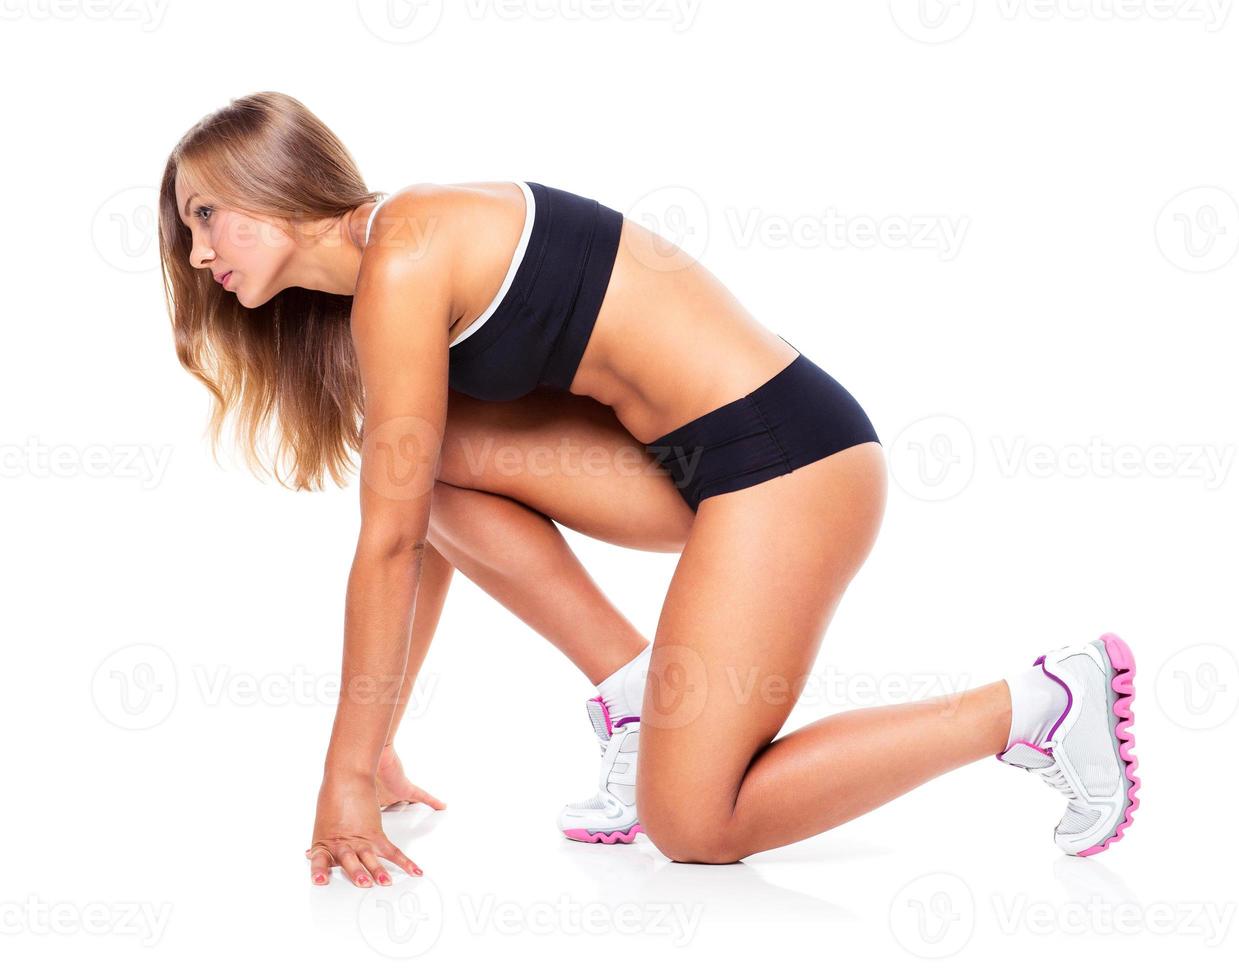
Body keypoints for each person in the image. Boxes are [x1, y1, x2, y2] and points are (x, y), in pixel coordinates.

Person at [160, 92, 1139, 888]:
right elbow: (416, 536)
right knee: (421, 466)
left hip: (790, 459)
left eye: (208, 212)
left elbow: (381, 545)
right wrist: (373, 748)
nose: (200, 253)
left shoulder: (408, 251)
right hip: (692, 472)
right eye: (185, 227)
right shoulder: (390, 274)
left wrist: (338, 777)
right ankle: (636, 694)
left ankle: (1037, 703)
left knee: (696, 821)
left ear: (272, 178)